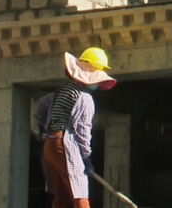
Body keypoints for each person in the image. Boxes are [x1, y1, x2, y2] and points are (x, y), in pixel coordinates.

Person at [35, 47, 117, 208]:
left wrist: (44, 129)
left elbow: (41, 107)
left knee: (62, 195)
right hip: (64, 145)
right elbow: (83, 133)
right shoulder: (85, 99)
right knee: (80, 193)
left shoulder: (60, 92)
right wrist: (86, 159)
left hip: (50, 145)